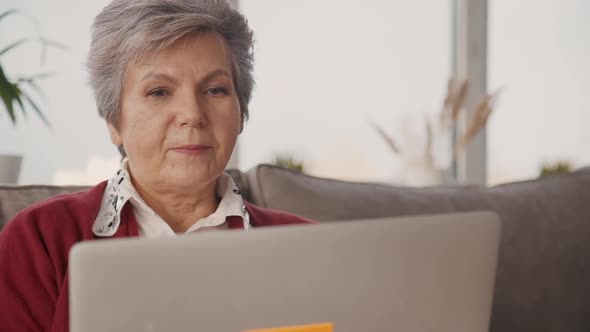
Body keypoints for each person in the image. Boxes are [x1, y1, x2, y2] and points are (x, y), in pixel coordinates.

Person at [0, 1, 313, 331]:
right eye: (159, 91)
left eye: (215, 89)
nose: (192, 113)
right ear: (113, 120)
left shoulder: (309, 247)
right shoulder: (39, 240)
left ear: (241, 113)